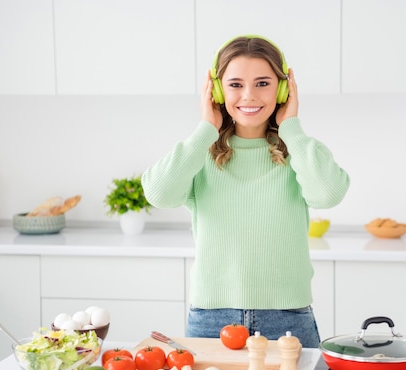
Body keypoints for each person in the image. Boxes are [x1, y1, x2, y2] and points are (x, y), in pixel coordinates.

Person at [142, 35, 349, 348]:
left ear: (283, 89)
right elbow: (159, 194)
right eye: (235, 84)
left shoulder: (300, 149)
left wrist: (291, 126)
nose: (249, 95)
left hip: (288, 316)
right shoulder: (201, 151)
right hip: (212, 317)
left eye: (263, 83)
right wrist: (205, 129)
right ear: (216, 89)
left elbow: (328, 194)